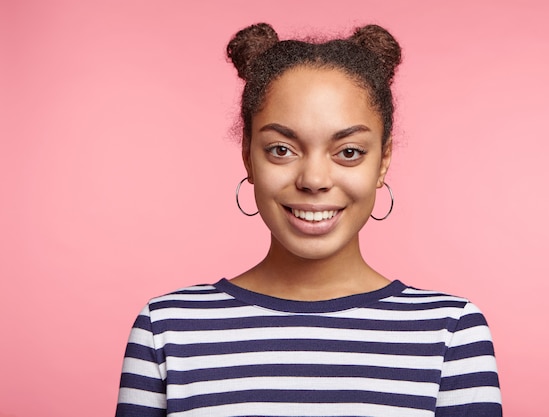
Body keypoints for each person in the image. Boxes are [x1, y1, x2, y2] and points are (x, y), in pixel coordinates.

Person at [115, 23, 502, 417]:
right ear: (248, 156)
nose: (314, 180)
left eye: (349, 152)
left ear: (383, 161)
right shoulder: (168, 329)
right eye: (281, 149)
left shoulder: (450, 333)